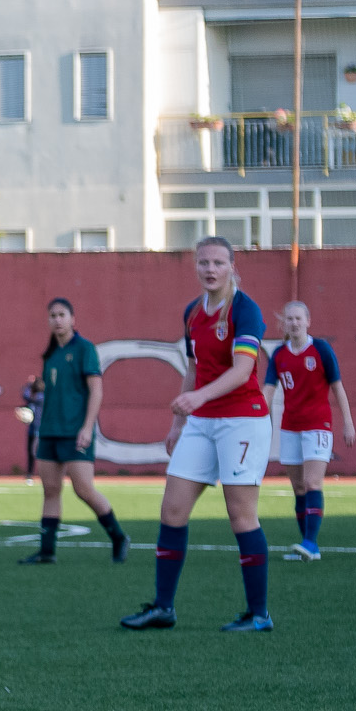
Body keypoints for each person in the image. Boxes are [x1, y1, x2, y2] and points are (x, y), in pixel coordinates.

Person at [121, 236, 274, 633]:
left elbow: (243, 370)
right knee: (172, 511)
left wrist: (198, 398)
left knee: (241, 516)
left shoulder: (245, 309)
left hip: (242, 421)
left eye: (218, 263)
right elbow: (193, 368)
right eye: (203, 262)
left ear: (232, 267)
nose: (210, 269)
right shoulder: (192, 312)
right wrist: (179, 422)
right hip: (201, 422)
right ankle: (163, 608)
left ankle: (259, 614)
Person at [20, 298, 129, 565]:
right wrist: (39, 433)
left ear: (72, 319)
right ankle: (47, 552)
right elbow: (50, 396)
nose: (57, 320)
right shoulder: (50, 354)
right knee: (50, 490)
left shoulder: (84, 349)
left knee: (84, 489)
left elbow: (96, 391)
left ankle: (118, 537)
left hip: (75, 431)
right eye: (53, 315)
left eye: (62, 315)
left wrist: (87, 427)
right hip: (49, 432)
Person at [265, 300, 355, 562]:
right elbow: (267, 391)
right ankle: (308, 547)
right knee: (298, 487)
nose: (294, 323)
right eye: (289, 319)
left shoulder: (321, 349)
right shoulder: (279, 355)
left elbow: (337, 387)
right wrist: (254, 417)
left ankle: (310, 543)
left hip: (317, 425)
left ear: (308, 321)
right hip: (290, 427)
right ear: (284, 323)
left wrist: (348, 422)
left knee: (312, 482)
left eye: (298, 318)